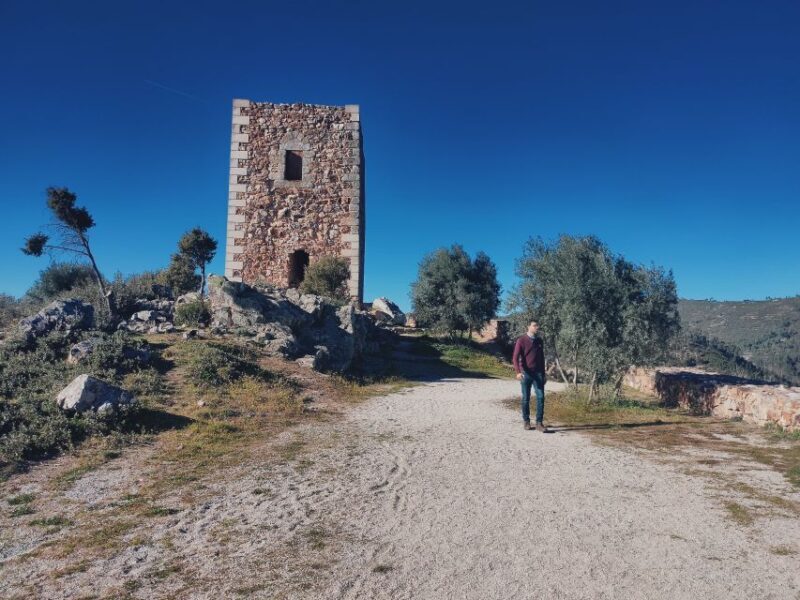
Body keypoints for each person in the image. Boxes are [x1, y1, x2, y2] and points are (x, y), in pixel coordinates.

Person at [512, 321, 548, 432]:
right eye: (535, 325)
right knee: (526, 398)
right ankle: (526, 421)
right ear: (528, 327)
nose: (537, 327)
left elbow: (541, 358)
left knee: (541, 397)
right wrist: (518, 372)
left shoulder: (539, 341)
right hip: (526, 373)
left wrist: (544, 373)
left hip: (538, 374)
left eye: (538, 325)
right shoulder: (521, 340)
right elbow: (515, 357)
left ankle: (539, 423)